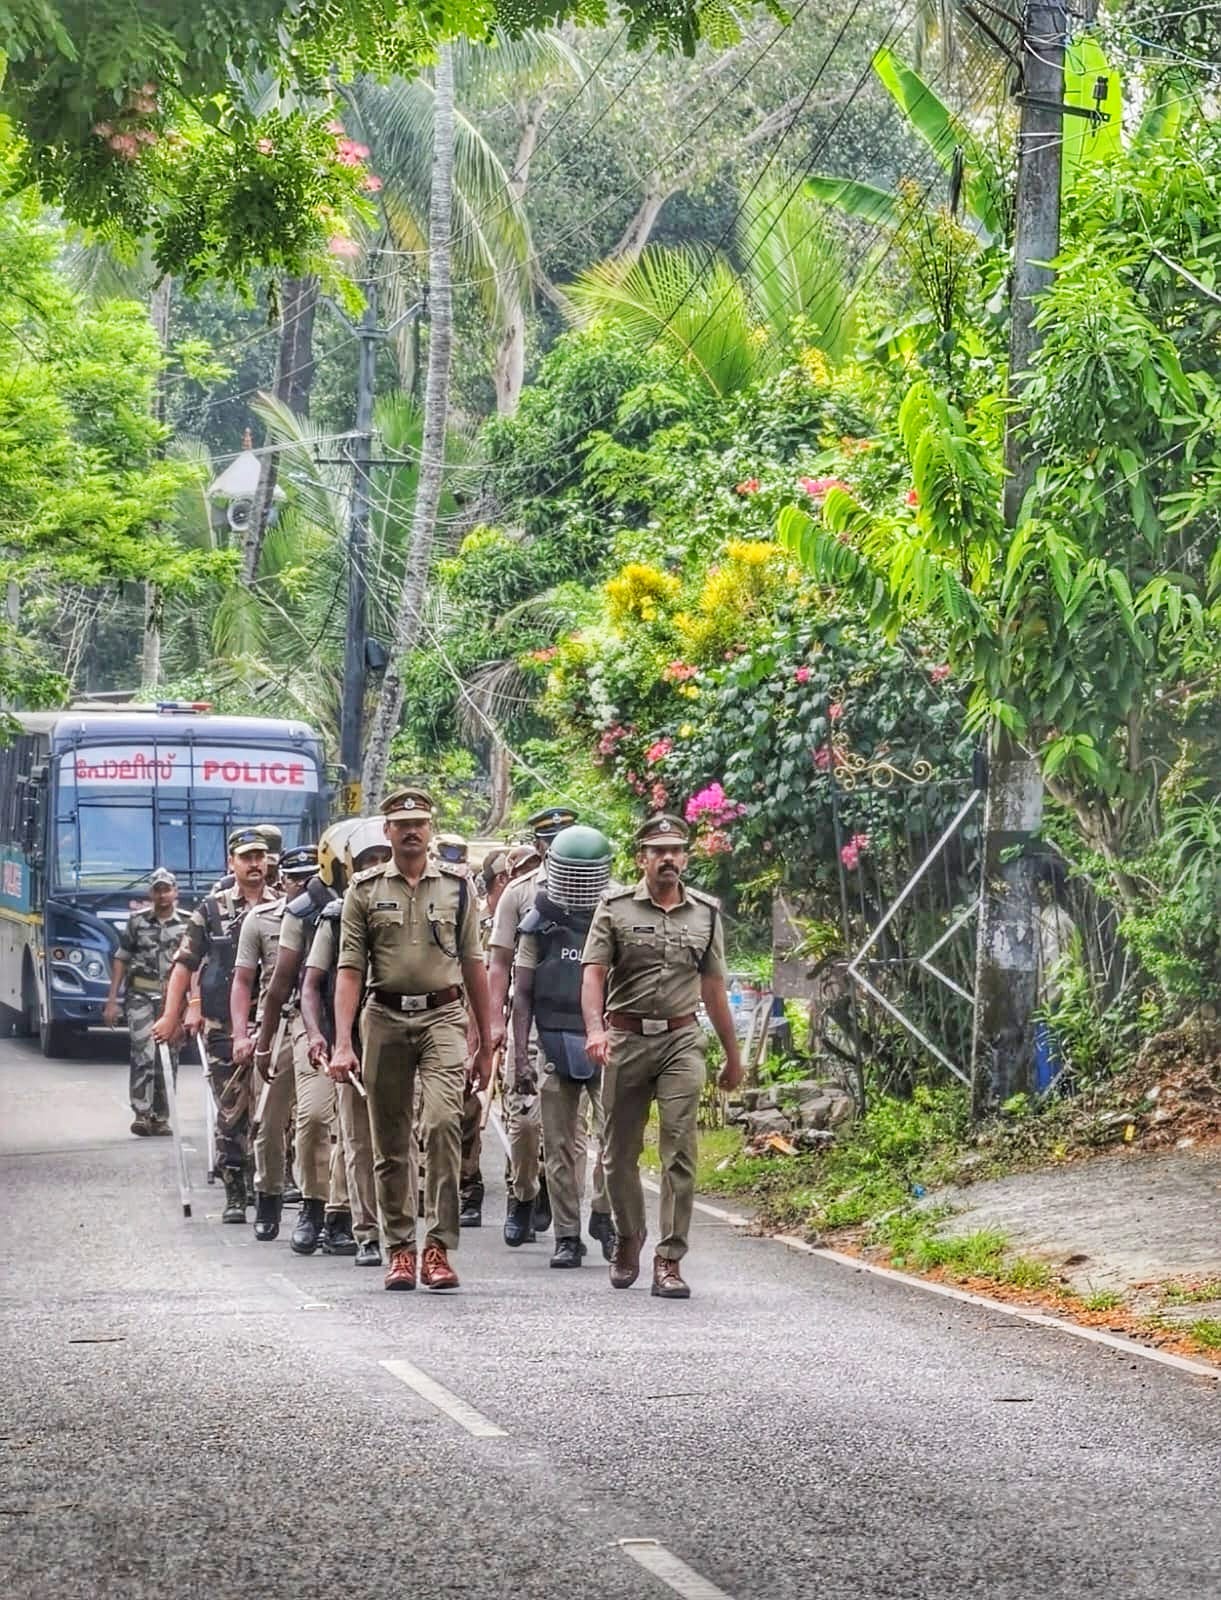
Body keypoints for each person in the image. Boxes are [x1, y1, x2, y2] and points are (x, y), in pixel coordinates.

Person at [330, 788, 494, 1292]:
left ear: (431, 828)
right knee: (390, 1139)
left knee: (444, 1122)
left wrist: (487, 1041)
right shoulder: (363, 890)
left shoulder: (458, 888)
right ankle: (400, 1248)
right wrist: (342, 1042)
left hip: (444, 1015)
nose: (411, 830)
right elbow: (350, 971)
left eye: (420, 822)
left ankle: (439, 1246)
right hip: (384, 1017)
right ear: (387, 832)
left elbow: (474, 965)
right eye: (402, 823)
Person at [580, 813, 743, 1299]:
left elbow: (714, 989)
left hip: (681, 1040)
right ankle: (629, 1236)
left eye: (676, 850)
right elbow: (592, 974)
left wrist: (733, 1056)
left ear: (685, 857)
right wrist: (595, 1030)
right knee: (618, 1154)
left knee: (680, 1148)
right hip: (626, 1039)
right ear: (642, 859)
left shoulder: (706, 914)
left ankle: (669, 1258)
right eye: (658, 851)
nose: (668, 858)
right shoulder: (613, 908)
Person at [153, 828, 278, 1224]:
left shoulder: (287, 906)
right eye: (247, 857)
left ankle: (268, 1185)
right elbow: (183, 966)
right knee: (231, 1111)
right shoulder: (210, 910)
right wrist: (172, 1015)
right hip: (222, 1023)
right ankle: (235, 1192)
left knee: (272, 1110)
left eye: (260, 856)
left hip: (273, 1021)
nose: (255, 863)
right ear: (232, 864)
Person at [512, 826, 618, 1268]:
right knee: (557, 1144)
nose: (578, 881)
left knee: (615, 1141)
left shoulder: (618, 913)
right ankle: (567, 1234)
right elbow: (522, 989)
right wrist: (520, 1053)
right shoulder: (540, 918)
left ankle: (604, 1215)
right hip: (554, 1034)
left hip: (610, 1040)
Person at [488, 808, 579, 1246]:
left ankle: (568, 1220)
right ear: (540, 846)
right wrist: (493, 1025)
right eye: (552, 839)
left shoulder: (600, 893)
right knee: (524, 1123)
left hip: (579, 1023)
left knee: (572, 1134)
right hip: (527, 1021)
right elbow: (499, 963)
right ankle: (523, 1194)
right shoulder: (520, 894)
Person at [302, 820, 391, 1268]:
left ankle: (404, 1230)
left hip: (403, 1037)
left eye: (383, 860)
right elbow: (311, 984)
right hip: (352, 1042)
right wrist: (328, 1039)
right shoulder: (334, 918)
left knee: (410, 1140)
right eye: (367, 862)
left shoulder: (417, 908)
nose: (376, 869)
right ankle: (366, 1232)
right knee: (357, 1143)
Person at [229, 844, 324, 1247]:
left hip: (315, 1023)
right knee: (268, 1120)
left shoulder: (330, 913)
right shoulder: (260, 920)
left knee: (316, 1119)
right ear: (280, 881)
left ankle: (312, 1204)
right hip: (277, 1021)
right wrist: (243, 1034)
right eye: (295, 879)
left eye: (310, 879)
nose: (302, 886)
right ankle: (267, 1196)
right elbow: (244, 980)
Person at [104, 868, 188, 1137]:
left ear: (176, 892)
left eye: (167, 889)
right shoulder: (136, 922)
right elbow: (121, 958)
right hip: (140, 996)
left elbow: (194, 964)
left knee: (169, 1057)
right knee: (145, 1051)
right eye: (157, 889)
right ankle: (142, 1113)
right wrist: (112, 1001)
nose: (162, 895)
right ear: (150, 893)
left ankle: (161, 1116)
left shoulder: (187, 924)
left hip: (171, 1000)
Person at [458, 847, 511, 1229]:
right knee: (466, 1104)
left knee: (525, 1114)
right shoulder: (474, 923)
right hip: (469, 1015)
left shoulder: (530, 913)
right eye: (507, 875)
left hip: (519, 1019)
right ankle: (465, 1182)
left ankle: (527, 1188)